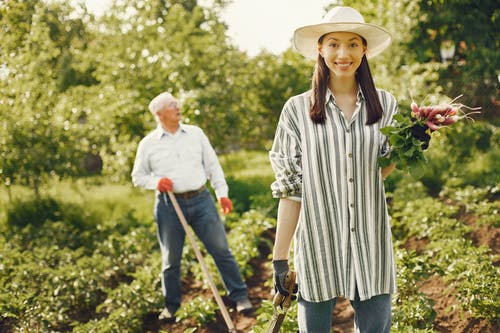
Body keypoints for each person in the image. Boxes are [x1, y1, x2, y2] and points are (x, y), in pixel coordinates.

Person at [268, 6, 429, 333]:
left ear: (364, 49)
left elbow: (378, 172)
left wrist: (406, 145)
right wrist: (280, 259)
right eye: (334, 44)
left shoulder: (384, 104)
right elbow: (290, 190)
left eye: (353, 44)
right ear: (320, 48)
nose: (344, 53)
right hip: (318, 242)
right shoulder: (297, 110)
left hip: (370, 241)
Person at [131, 91, 252, 323]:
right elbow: (138, 176)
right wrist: (155, 182)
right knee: (170, 261)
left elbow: (213, 165)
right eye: (171, 105)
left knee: (221, 251)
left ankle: (240, 297)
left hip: (201, 200)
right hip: (169, 205)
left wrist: (222, 194)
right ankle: (172, 306)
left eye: (176, 103)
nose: (178, 107)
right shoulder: (148, 144)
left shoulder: (195, 134)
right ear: (159, 113)